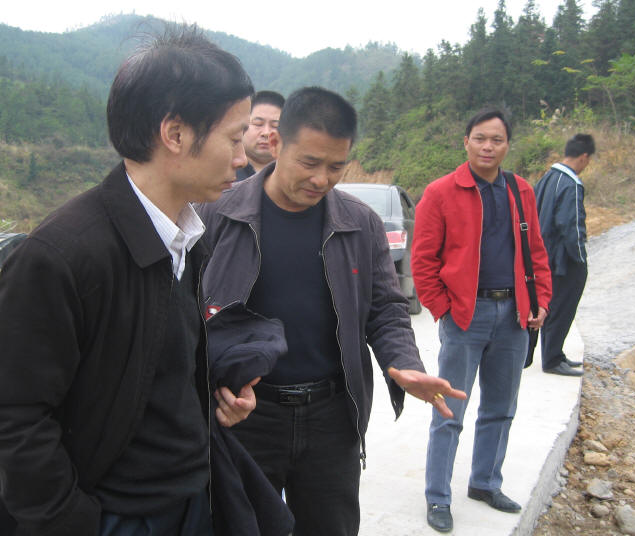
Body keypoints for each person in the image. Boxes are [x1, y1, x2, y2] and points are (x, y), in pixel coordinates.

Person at [0, 26, 275, 536]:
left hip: (190, 500)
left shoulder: (185, 238)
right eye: (233, 137)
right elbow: (4, 416)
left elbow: (148, 371)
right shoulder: (63, 255)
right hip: (112, 516)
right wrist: (74, 521)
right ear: (175, 134)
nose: (243, 157)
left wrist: (211, 402)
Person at [196, 86, 465, 536]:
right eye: (310, 162)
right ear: (277, 143)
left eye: (336, 166)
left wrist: (405, 365)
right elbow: (187, 311)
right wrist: (209, 386)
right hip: (246, 416)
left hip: (332, 418)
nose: (322, 179)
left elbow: (386, 308)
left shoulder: (359, 223)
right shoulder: (218, 213)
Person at [411, 108, 552, 532]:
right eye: (480, 138)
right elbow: (423, 260)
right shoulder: (440, 192)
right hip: (465, 315)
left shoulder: (521, 190)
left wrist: (541, 300)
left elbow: (537, 251)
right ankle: (438, 497)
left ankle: (486, 483)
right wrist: (443, 309)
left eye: (497, 140)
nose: (488, 147)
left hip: (514, 316)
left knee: (501, 408)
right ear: (466, 142)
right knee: (449, 409)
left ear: (507, 145)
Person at [534, 133, 595, 377]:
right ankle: (552, 359)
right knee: (563, 307)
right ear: (584, 157)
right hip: (562, 260)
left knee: (551, 306)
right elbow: (571, 226)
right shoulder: (571, 184)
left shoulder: (547, 178)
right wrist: (580, 258)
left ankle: (553, 353)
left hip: (544, 256)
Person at [235, 90, 285, 181]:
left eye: (275, 126)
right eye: (258, 124)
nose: (266, 133)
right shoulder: (225, 172)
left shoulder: (291, 177)